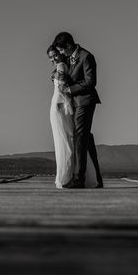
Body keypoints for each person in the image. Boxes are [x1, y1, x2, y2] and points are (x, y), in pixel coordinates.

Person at [52, 31, 103, 189]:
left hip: (85, 101)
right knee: (86, 138)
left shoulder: (86, 56)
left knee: (80, 136)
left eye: (61, 50)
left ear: (68, 45)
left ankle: (79, 178)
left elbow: (91, 82)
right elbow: (60, 70)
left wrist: (70, 89)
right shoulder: (67, 57)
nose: (60, 53)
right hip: (72, 104)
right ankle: (97, 178)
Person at [47, 45, 75, 188]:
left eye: (55, 55)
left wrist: (68, 103)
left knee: (65, 141)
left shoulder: (62, 66)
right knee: (64, 141)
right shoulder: (62, 66)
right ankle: (66, 176)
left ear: (60, 53)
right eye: (50, 57)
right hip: (58, 105)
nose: (53, 59)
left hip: (60, 105)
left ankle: (65, 176)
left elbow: (62, 88)